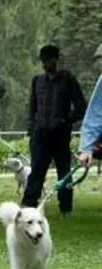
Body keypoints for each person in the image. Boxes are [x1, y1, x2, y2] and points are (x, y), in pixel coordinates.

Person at [23, 45, 87, 213]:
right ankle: (29, 206)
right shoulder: (37, 81)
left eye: (48, 61)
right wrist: (32, 129)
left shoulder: (68, 79)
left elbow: (81, 107)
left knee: (64, 171)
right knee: (37, 169)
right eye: (43, 62)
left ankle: (65, 207)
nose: (45, 65)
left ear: (56, 60)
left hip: (60, 134)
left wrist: (66, 120)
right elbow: (33, 108)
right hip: (40, 133)